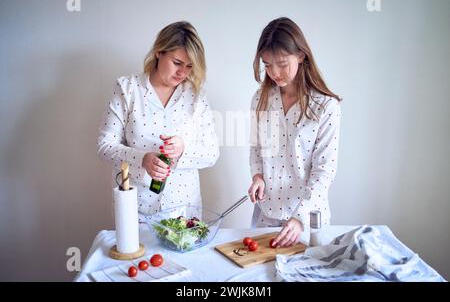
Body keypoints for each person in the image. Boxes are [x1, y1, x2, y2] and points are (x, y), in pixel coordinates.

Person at [97, 21, 219, 221]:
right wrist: (142, 159)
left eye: (189, 66)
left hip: (184, 210)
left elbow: (212, 153)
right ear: (159, 52)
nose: (183, 73)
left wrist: (183, 149)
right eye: (177, 63)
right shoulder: (127, 88)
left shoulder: (196, 97)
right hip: (136, 209)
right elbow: (104, 146)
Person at [248, 17, 342, 247]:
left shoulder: (326, 106)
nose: (274, 72)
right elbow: (257, 148)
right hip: (266, 215)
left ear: (301, 55)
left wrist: (300, 218)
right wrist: (258, 176)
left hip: (308, 220)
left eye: (281, 63)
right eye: (267, 64)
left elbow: (324, 171)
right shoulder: (260, 99)